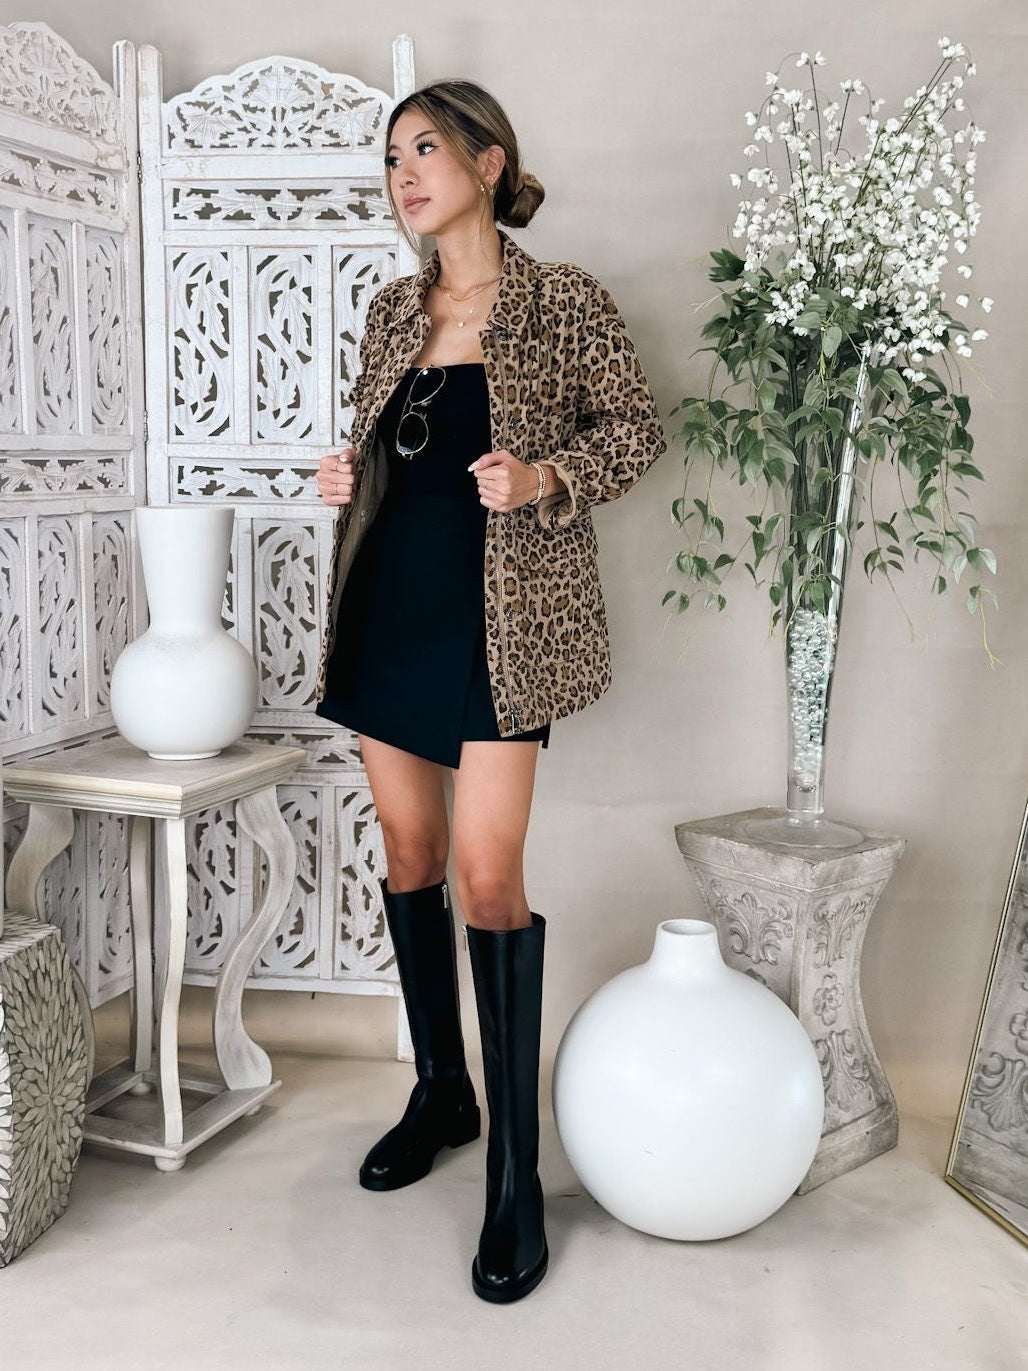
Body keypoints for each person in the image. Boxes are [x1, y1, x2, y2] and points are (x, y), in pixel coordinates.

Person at [312, 79, 667, 1303]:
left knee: (485, 878)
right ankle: (440, 1094)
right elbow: (386, 453)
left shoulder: (562, 299)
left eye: (424, 149)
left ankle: (514, 1176)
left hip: (502, 626)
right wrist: (344, 474)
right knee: (409, 854)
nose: (403, 174)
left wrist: (544, 477)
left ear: (487, 161)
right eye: (390, 158)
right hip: (387, 611)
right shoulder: (390, 311)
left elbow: (635, 429)